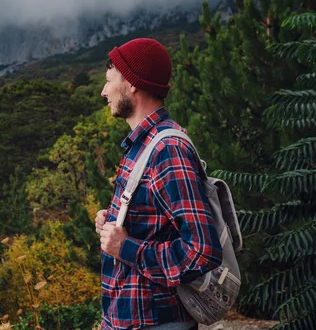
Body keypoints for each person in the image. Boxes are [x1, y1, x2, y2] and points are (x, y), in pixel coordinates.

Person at [95, 38, 223, 330]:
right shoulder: (143, 145)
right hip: (131, 318)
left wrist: (126, 247)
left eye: (108, 81)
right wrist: (112, 221)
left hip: (156, 321)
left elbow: (202, 250)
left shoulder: (167, 149)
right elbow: (155, 222)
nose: (104, 92)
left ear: (132, 83)